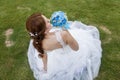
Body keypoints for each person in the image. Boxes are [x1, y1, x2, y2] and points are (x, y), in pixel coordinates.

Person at [26, 11, 102, 80]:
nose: (50, 20)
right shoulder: (63, 34)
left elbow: (44, 56)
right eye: (47, 22)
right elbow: (76, 48)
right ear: (44, 30)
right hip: (69, 56)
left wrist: (46, 69)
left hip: (55, 59)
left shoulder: (38, 42)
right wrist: (66, 30)